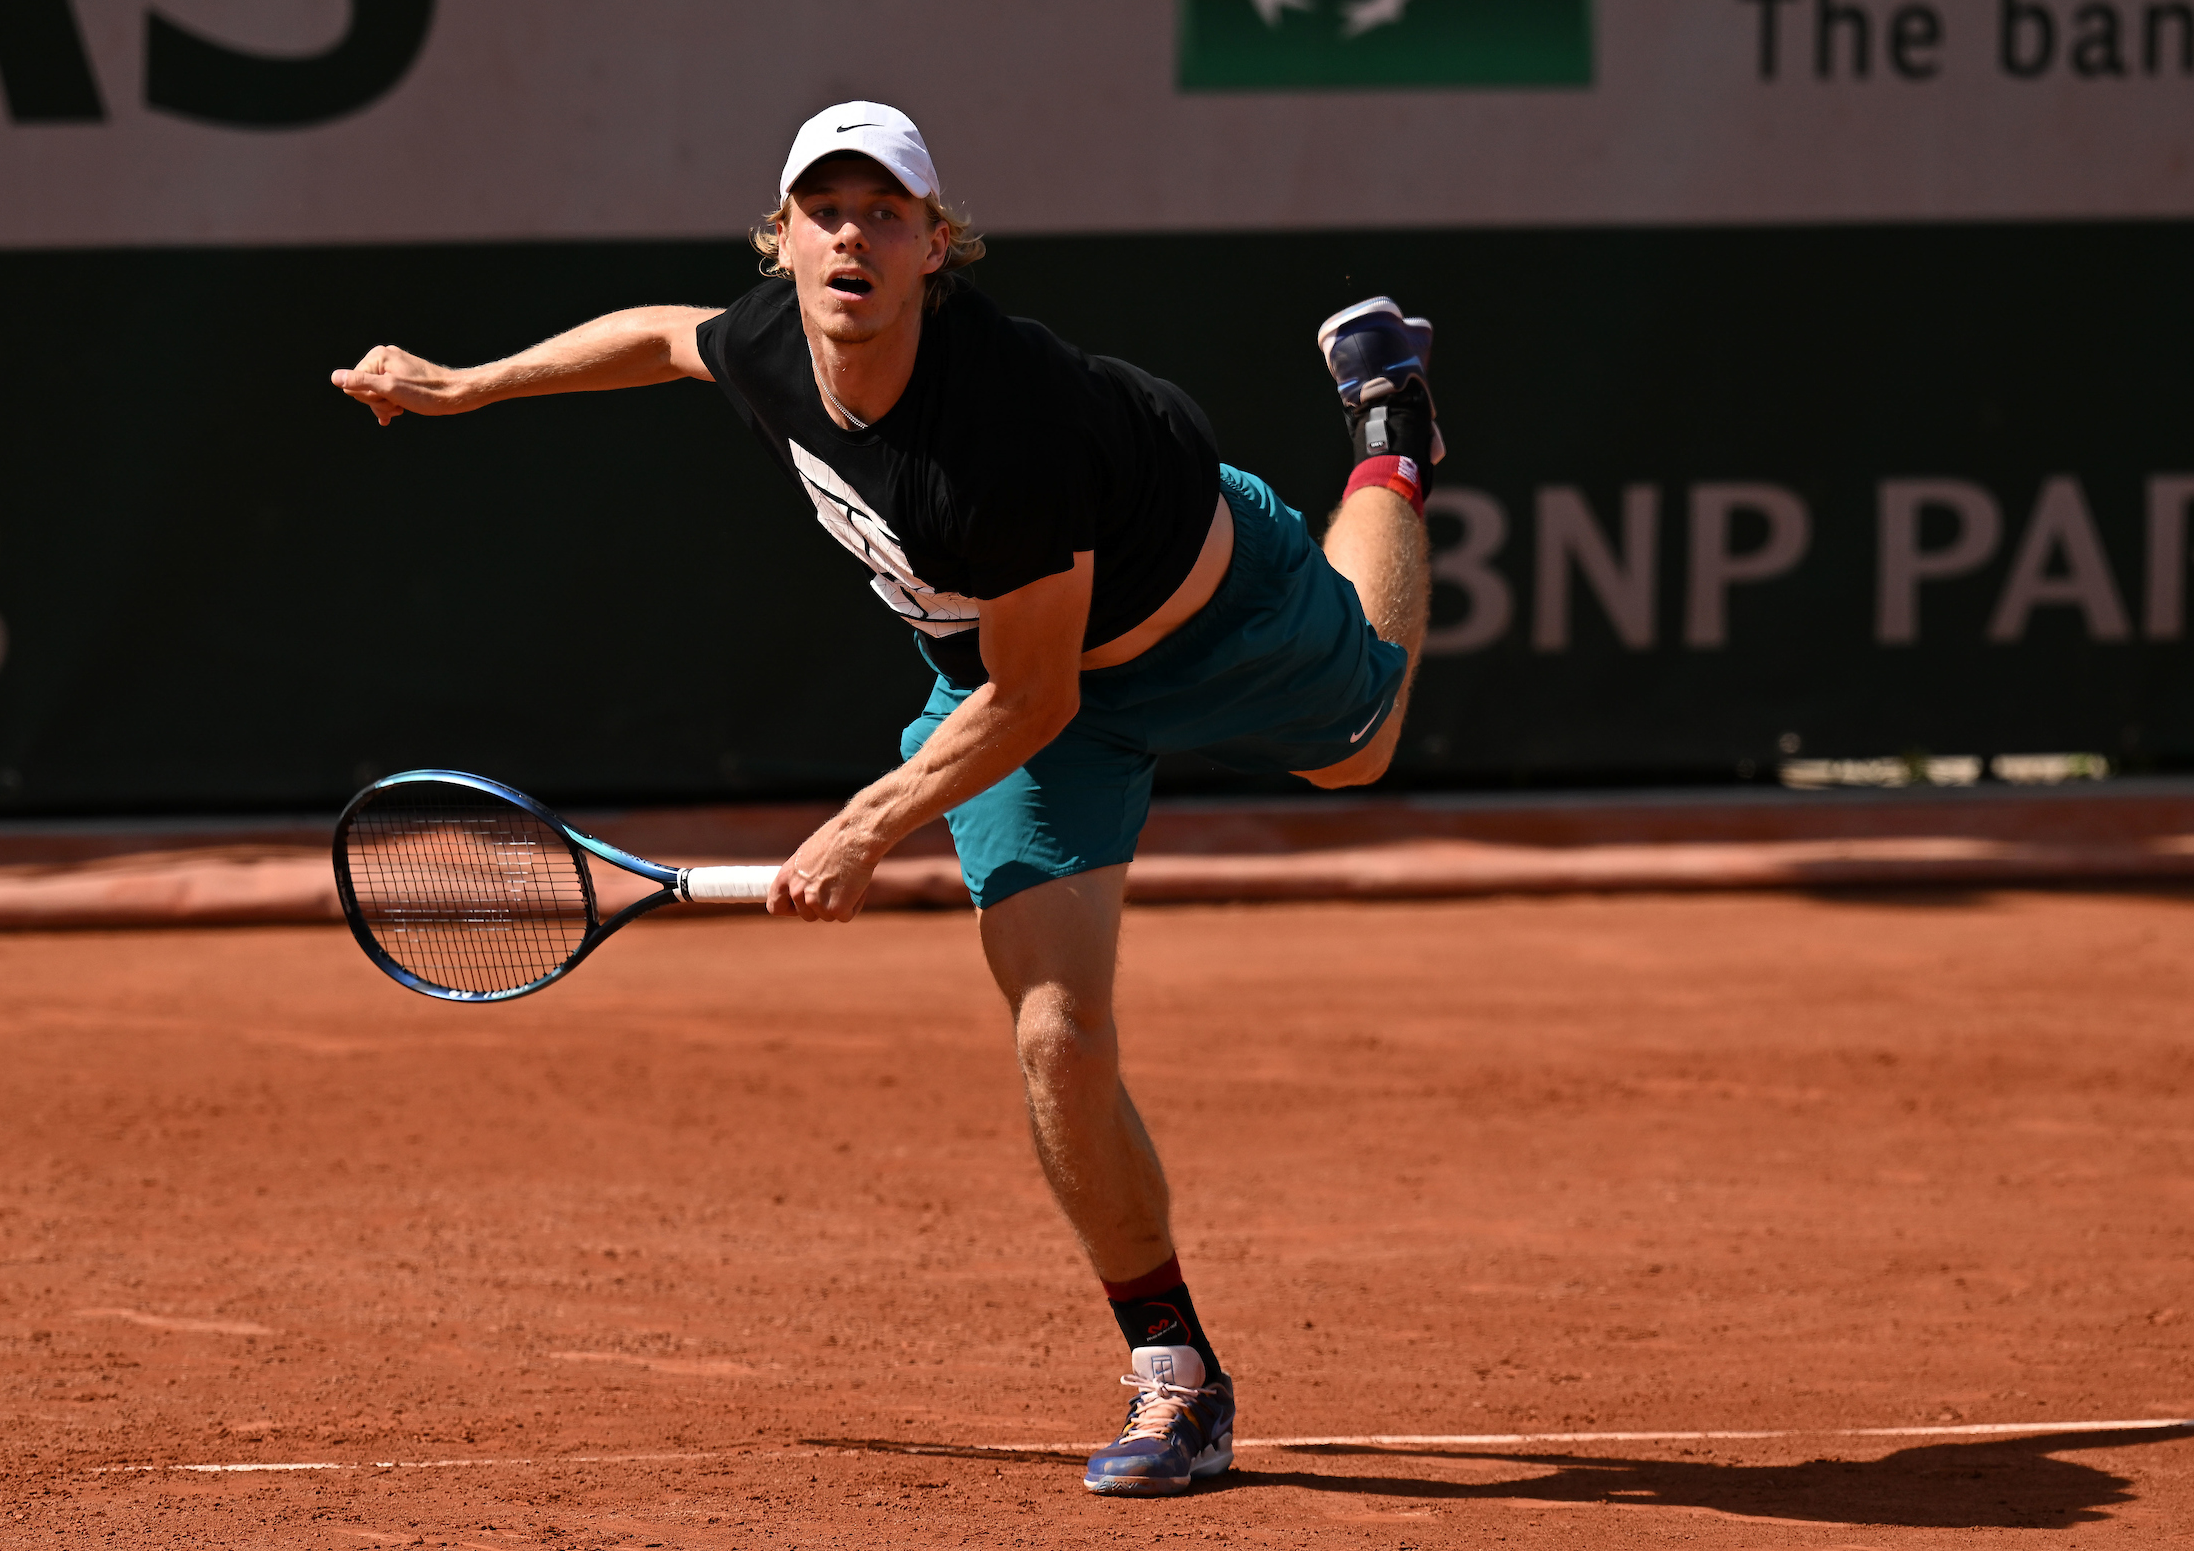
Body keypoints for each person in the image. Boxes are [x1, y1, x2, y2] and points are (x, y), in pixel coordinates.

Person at [331, 102, 1440, 1498]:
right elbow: (668, 336)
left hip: (1209, 624)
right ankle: (1176, 1372)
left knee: (1363, 742)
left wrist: (861, 828)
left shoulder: (999, 433)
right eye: (825, 210)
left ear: (935, 248)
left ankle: (1391, 429)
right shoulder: (773, 341)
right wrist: (466, 384)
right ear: (784, 239)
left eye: (886, 214)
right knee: (1058, 1036)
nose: (852, 235)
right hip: (1013, 683)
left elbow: (1034, 700)